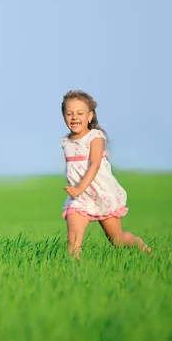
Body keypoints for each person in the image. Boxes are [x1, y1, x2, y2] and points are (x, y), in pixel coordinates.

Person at [60, 90, 151, 258]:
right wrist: (78, 191)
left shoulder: (96, 137)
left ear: (90, 116)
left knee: (117, 240)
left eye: (80, 113)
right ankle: (74, 271)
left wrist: (80, 187)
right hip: (79, 198)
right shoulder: (66, 142)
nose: (74, 117)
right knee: (73, 237)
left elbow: (94, 165)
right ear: (64, 116)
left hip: (101, 193)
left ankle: (142, 247)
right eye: (69, 113)